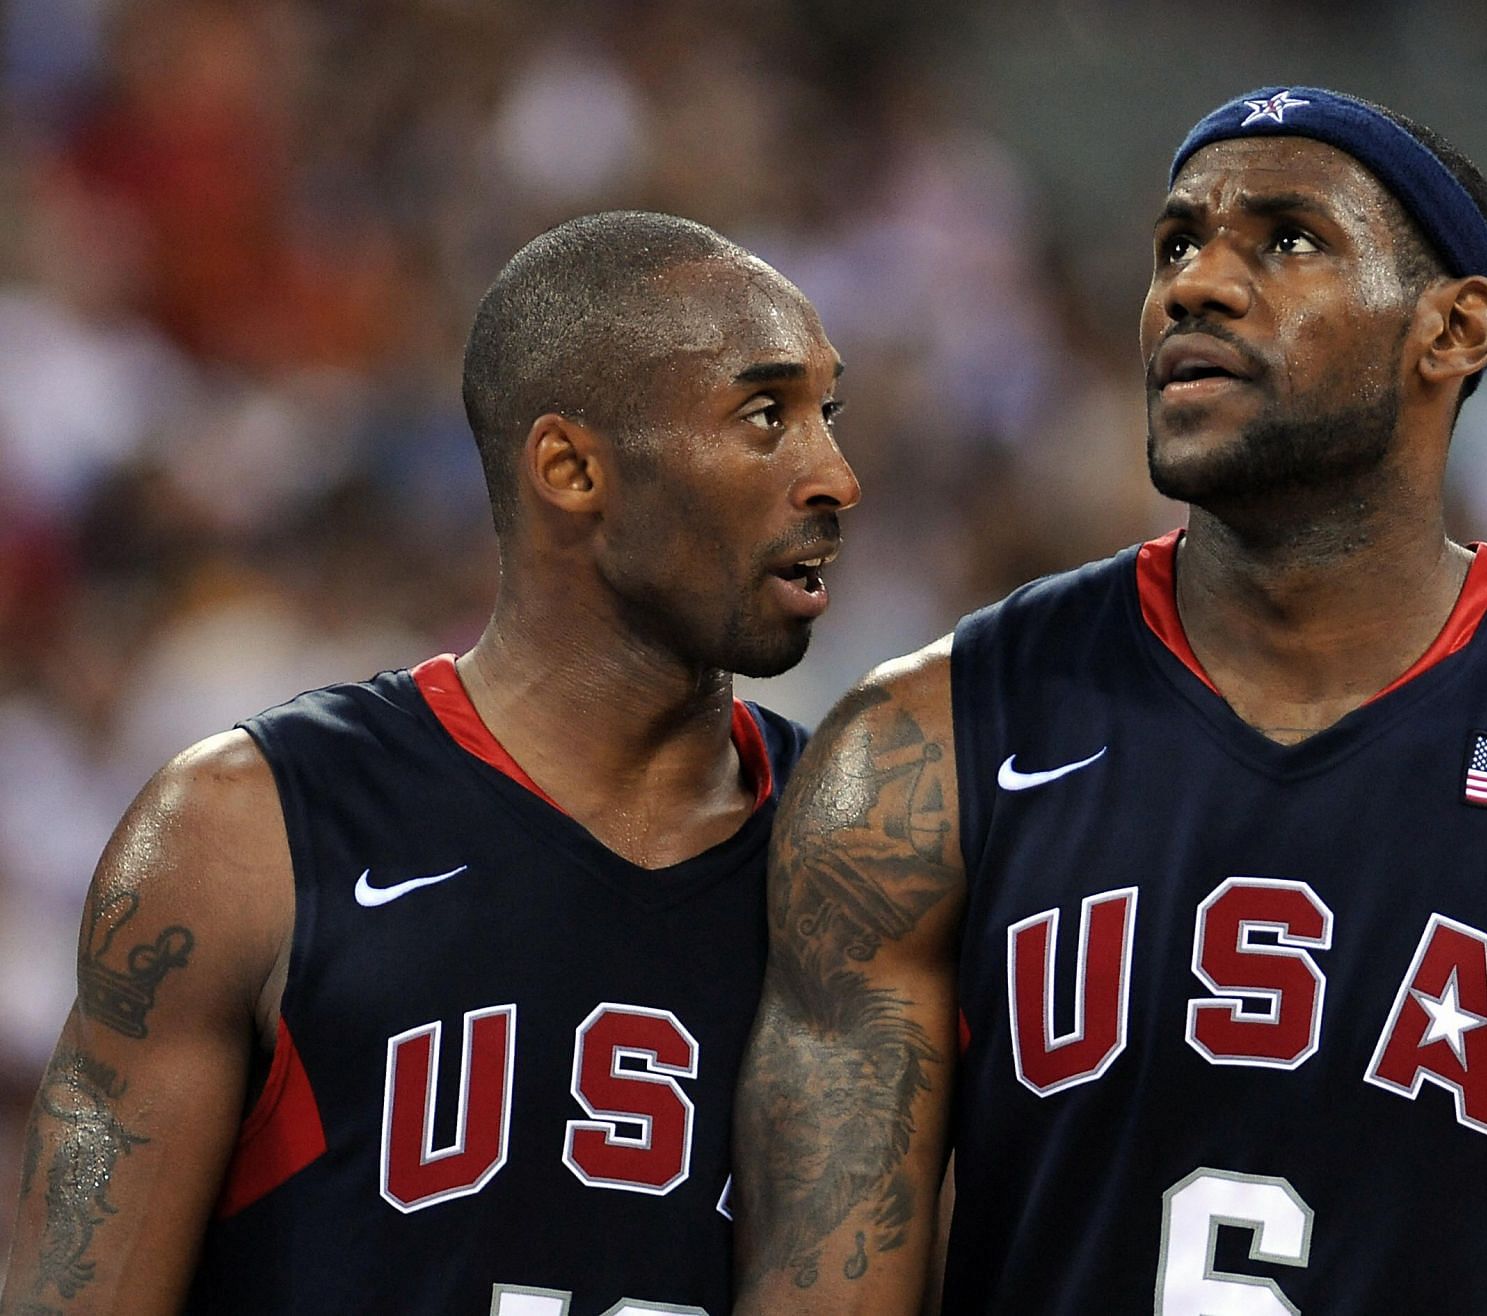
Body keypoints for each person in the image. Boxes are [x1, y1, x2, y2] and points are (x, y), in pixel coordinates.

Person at [731, 88, 1487, 1314]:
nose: (1197, 284)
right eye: (1177, 244)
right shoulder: (925, 746)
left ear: (1453, 330)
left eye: (1288, 240)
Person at [0, 210, 859, 1314]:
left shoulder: (875, 864)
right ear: (569, 466)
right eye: (763, 414)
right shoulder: (245, 833)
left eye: (827, 414)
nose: (835, 473)